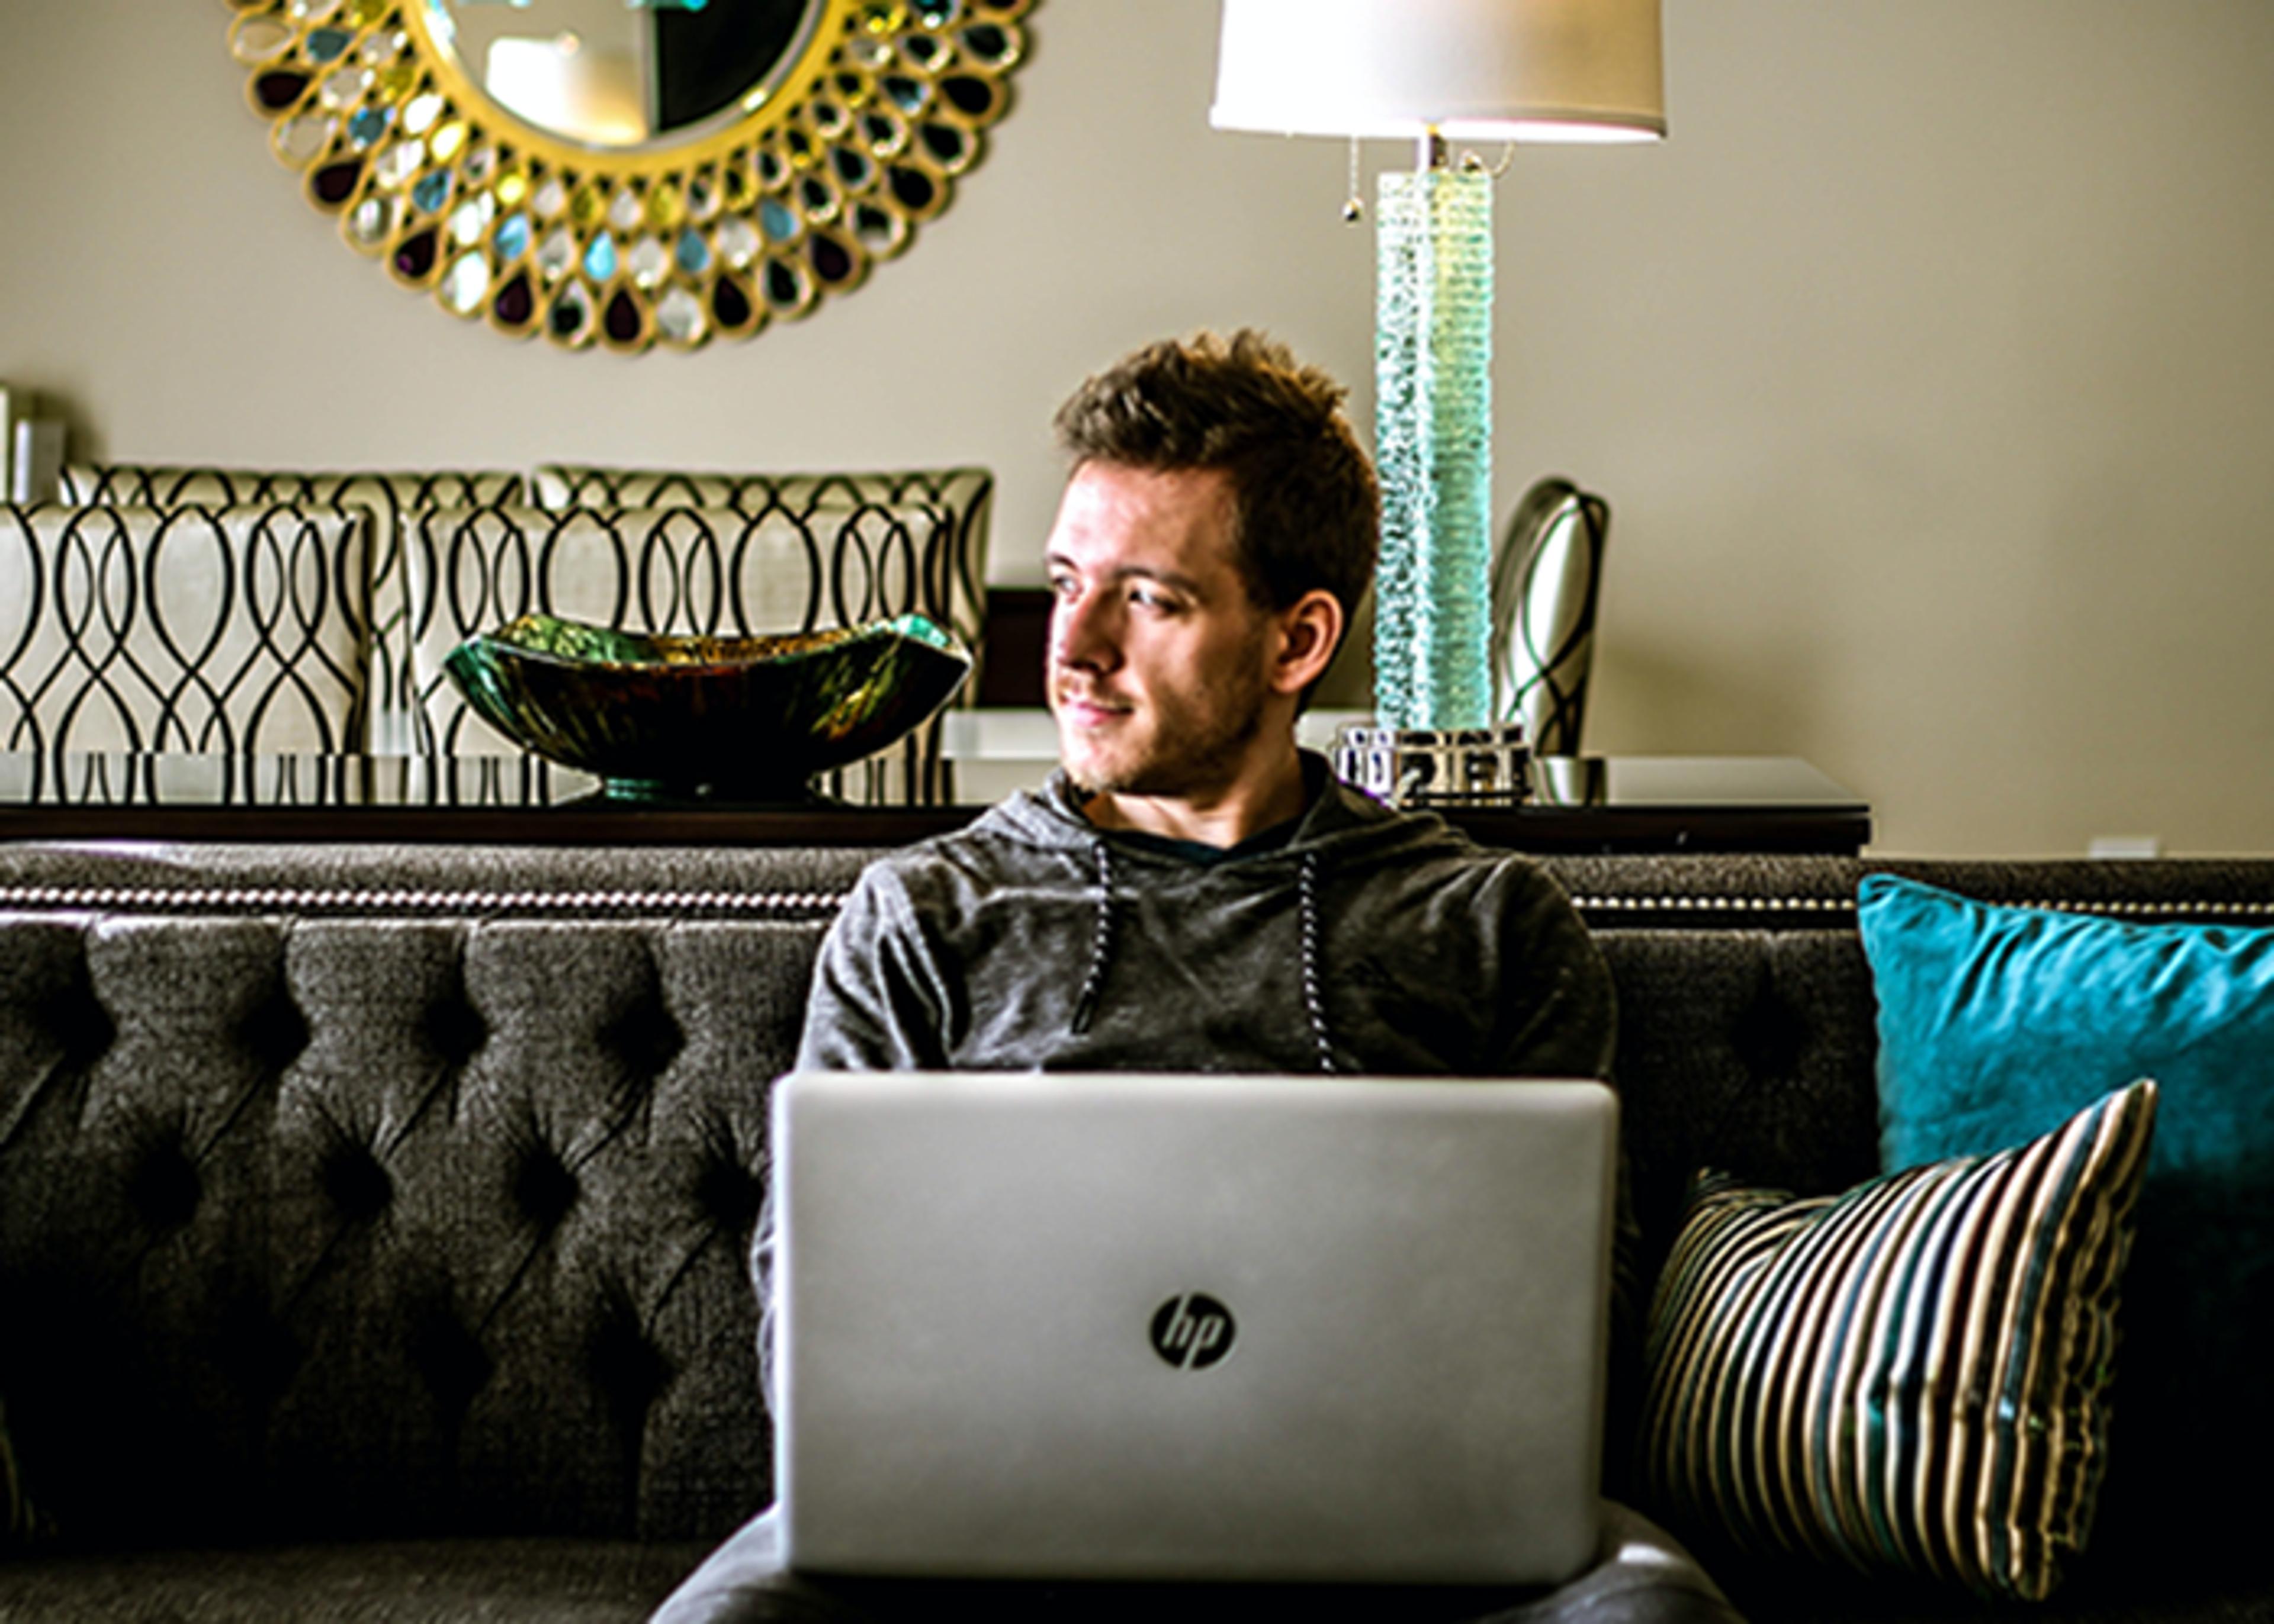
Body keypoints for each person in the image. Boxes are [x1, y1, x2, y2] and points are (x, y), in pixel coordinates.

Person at [653, 331, 1743, 1624]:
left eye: (1149, 600)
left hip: (1414, 1539)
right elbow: (813, 1352)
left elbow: (1580, 1350)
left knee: (1650, 1611)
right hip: (980, 1539)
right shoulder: (926, 915)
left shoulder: (1488, 920)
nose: (1073, 650)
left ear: (1297, 642)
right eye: (1067, 582)